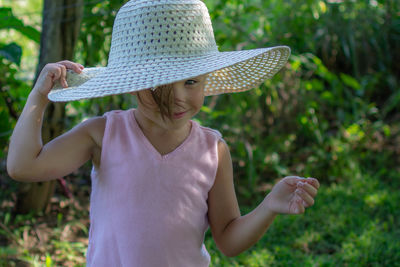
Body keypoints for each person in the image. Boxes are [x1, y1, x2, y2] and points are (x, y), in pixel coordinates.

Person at [7, 0, 320, 266]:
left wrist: (269, 206)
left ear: (206, 78)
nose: (178, 98)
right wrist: (38, 97)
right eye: (159, 83)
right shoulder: (104, 134)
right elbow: (23, 167)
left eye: (191, 82)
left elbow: (228, 239)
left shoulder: (213, 150)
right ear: (129, 84)